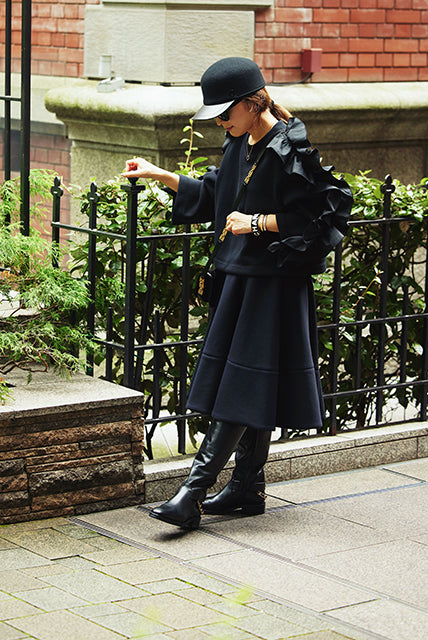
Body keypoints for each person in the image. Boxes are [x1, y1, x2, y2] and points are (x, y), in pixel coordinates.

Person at [122, 57, 353, 531]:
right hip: (238, 282)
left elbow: (325, 219)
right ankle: (247, 488)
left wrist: (259, 223)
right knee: (251, 383)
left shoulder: (290, 150)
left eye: (226, 113)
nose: (221, 123)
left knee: (241, 388)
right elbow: (216, 195)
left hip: (272, 288)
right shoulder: (240, 143)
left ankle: (192, 492)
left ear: (252, 103)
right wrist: (158, 174)